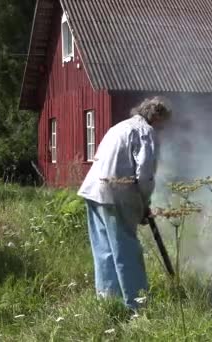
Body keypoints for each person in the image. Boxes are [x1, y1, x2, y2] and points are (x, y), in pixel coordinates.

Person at [77, 96, 172, 310]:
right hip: (116, 194)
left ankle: (109, 303)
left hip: (93, 192)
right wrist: (144, 202)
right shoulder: (146, 131)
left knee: (104, 250)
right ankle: (137, 306)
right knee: (126, 251)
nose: (163, 129)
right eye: (163, 123)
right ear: (155, 116)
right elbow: (145, 174)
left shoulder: (118, 128)